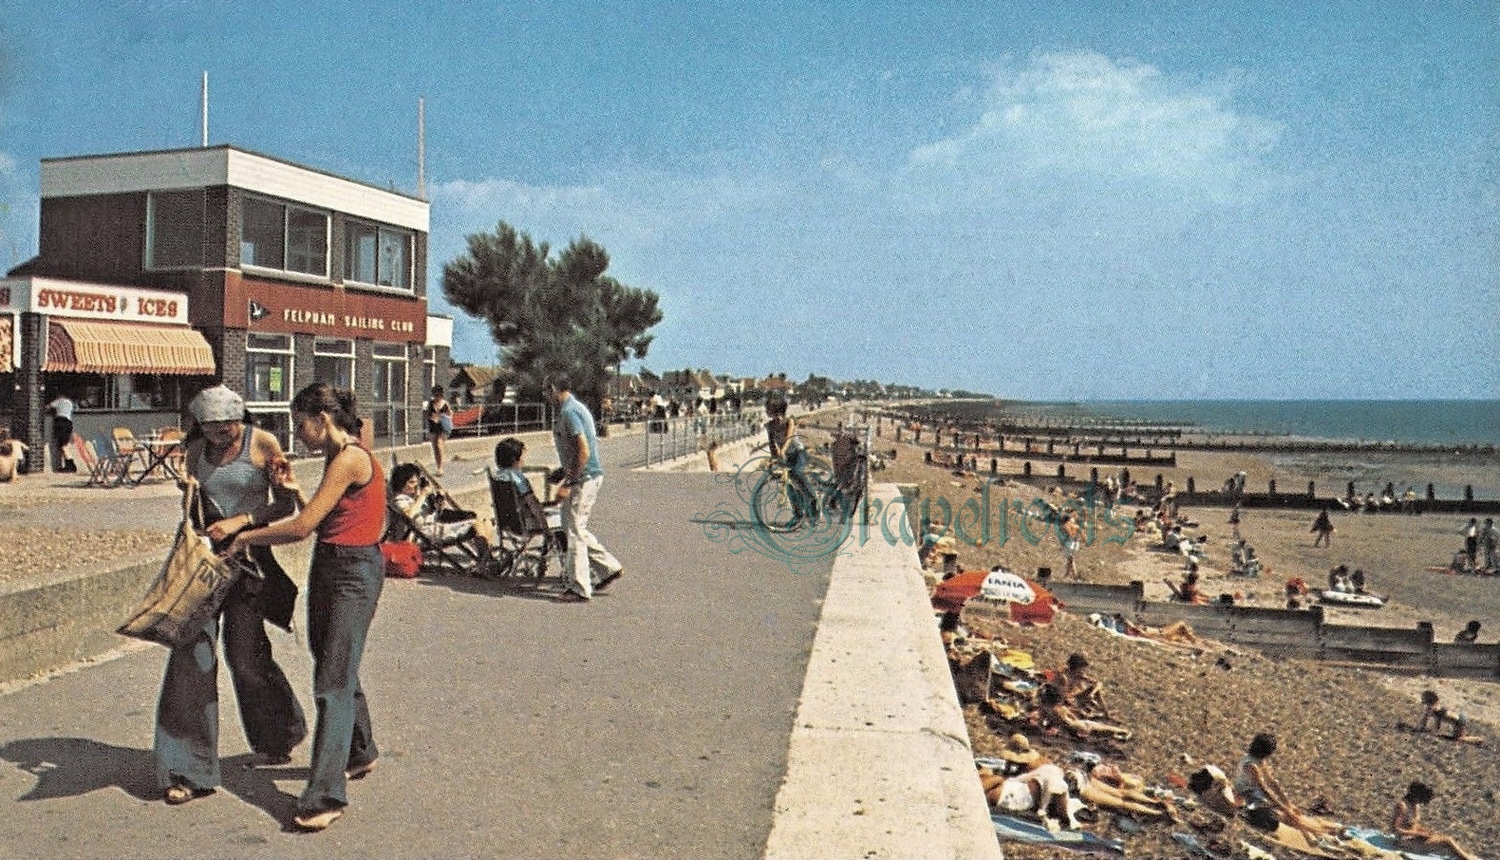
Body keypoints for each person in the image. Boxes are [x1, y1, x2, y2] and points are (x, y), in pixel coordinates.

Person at [223, 383, 386, 832]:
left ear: (323, 419)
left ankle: (324, 794)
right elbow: (322, 516)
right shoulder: (338, 457)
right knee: (333, 663)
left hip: (354, 572)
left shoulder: (352, 457)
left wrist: (242, 538)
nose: (298, 435)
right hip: (332, 565)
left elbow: (301, 528)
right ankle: (361, 750)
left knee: (331, 682)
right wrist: (294, 489)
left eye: (301, 425)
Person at [154, 385, 307, 806]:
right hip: (204, 565)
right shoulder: (195, 449)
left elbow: (287, 506)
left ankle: (280, 733)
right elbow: (193, 507)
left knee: (247, 657)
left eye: (228, 430)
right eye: (212, 431)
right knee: (192, 658)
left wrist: (241, 520)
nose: (221, 438)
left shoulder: (263, 443)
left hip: (248, 563)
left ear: (241, 419)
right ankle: (186, 768)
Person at [547, 377, 624, 602]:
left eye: (545, 391)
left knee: (574, 532)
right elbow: (576, 451)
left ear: (553, 389)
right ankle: (609, 567)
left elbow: (583, 450)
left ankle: (579, 588)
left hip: (584, 479)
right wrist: (563, 471)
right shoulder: (574, 408)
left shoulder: (569, 413)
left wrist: (568, 482)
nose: (545, 396)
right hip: (584, 476)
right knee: (573, 526)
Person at [1232, 733, 1340, 841]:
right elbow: (1263, 789)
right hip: (1247, 799)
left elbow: (1272, 783)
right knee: (1287, 817)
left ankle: (1325, 830)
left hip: (1257, 795)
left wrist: (1288, 804)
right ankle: (1323, 832)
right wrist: (1283, 808)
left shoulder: (1260, 762)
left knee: (1292, 814)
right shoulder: (1250, 766)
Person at [390, 462, 489, 560]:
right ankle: (486, 560)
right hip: (425, 534)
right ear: (401, 484)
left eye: (416, 482)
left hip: (434, 528)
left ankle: (486, 558)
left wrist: (439, 501)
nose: (416, 486)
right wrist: (422, 495)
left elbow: (435, 512)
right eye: (411, 482)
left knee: (484, 522)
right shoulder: (400, 499)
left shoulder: (415, 497)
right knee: (476, 525)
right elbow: (410, 515)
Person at [978, 734, 1077, 829]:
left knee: (995, 779)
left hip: (1011, 792)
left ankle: (977, 788)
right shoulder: (1045, 774)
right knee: (992, 777)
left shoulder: (1043, 773)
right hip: (1015, 791)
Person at [1390, 782, 1481, 860]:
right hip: (1404, 841)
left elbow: (1414, 824)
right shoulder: (1402, 806)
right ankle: (1466, 858)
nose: (1421, 802)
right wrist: (1418, 834)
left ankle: (1463, 856)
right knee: (1447, 840)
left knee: (1444, 844)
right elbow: (1396, 829)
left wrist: (1423, 830)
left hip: (1414, 836)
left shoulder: (1415, 805)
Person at [764, 396, 816, 524]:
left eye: (769, 409)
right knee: (789, 486)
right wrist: (774, 457)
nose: (767, 411)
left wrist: (783, 450)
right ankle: (798, 515)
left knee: (797, 474)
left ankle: (812, 501)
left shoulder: (789, 421)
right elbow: (771, 444)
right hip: (786, 456)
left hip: (798, 453)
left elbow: (789, 437)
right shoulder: (770, 426)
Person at [1037, 683, 1132, 741]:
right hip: (1081, 726)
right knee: (1106, 729)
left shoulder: (1043, 709)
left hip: (1068, 732)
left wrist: (1049, 729)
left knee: (1100, 734)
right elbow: (1072, 718)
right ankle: (1124, 733)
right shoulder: (1060, 709)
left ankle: (1116, 736)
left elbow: (1041, 723)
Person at [1059, 653, 1107, 717]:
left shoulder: (1079, 676)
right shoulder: (1063, 676)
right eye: (1081, 669)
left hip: (1075, 699)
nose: (1083, 672)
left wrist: (1092, 693)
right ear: (1075, 667)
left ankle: (1105, 713)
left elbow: (1099, 684)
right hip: (1066, 702)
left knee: (1096, 690)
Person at [423, 385, 452, 476]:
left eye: (438, 395)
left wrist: (441, 417)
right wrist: (432, 417)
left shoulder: (445, 403)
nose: (436, 397)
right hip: (433, 427)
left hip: (443, 428)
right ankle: (438, 466)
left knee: (439, 445)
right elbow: (427, 414)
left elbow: (450, 414)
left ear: (441, 395)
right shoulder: (430, 403)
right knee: (435, 448)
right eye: (435, 395)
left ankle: (441, 467)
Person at [45, 392, 77, 472]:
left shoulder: (59, 401)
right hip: (68, 422)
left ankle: (71, 465)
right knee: (65, 444)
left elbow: (48, 407)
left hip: (61, 422)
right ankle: (67, 465)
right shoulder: (70, 402)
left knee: (62, 445)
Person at [1060, 512, 1083, 579]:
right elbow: (1083, 537)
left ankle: (1074, 575)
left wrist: (1062, 545)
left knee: (1071, 560)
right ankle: (1067, 575)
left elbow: (1063, 537)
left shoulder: (1064, 526)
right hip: (1076, 544)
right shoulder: (1076, 526)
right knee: (1070, 560)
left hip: (1068, 544)